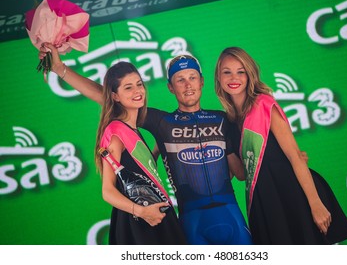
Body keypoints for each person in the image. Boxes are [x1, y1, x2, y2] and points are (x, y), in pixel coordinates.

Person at [39, 44, 251, 245]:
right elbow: (104, 96)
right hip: (191, 220)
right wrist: (60, 68)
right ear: (170, 87)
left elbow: (240, 173)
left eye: (192, 78)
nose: (188, 85)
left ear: (202, 81)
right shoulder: (163, 123)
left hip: (231, 213)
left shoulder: (222, 119)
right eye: (180, 80)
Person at [214, 46, 347, 244]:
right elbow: (240, 174)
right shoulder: (227, 122)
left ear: (250, 75)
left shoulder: (264, 105)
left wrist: (316, 204)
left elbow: (295, 156)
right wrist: (222, 144)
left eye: (241, 71)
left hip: (294, 194)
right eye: (226, 72)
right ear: (218, 78)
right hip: (265, 201)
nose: (233, 78)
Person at [39, 53, 187, 244]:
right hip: (140, 223)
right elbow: (107, 191)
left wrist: (157, 150)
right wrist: (142, 212)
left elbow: (138, 174)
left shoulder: (135, 129)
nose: (137, 90)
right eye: (128, 87)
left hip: (155, 217)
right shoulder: (116, 133)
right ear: (115, 96)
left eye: (139, 84)